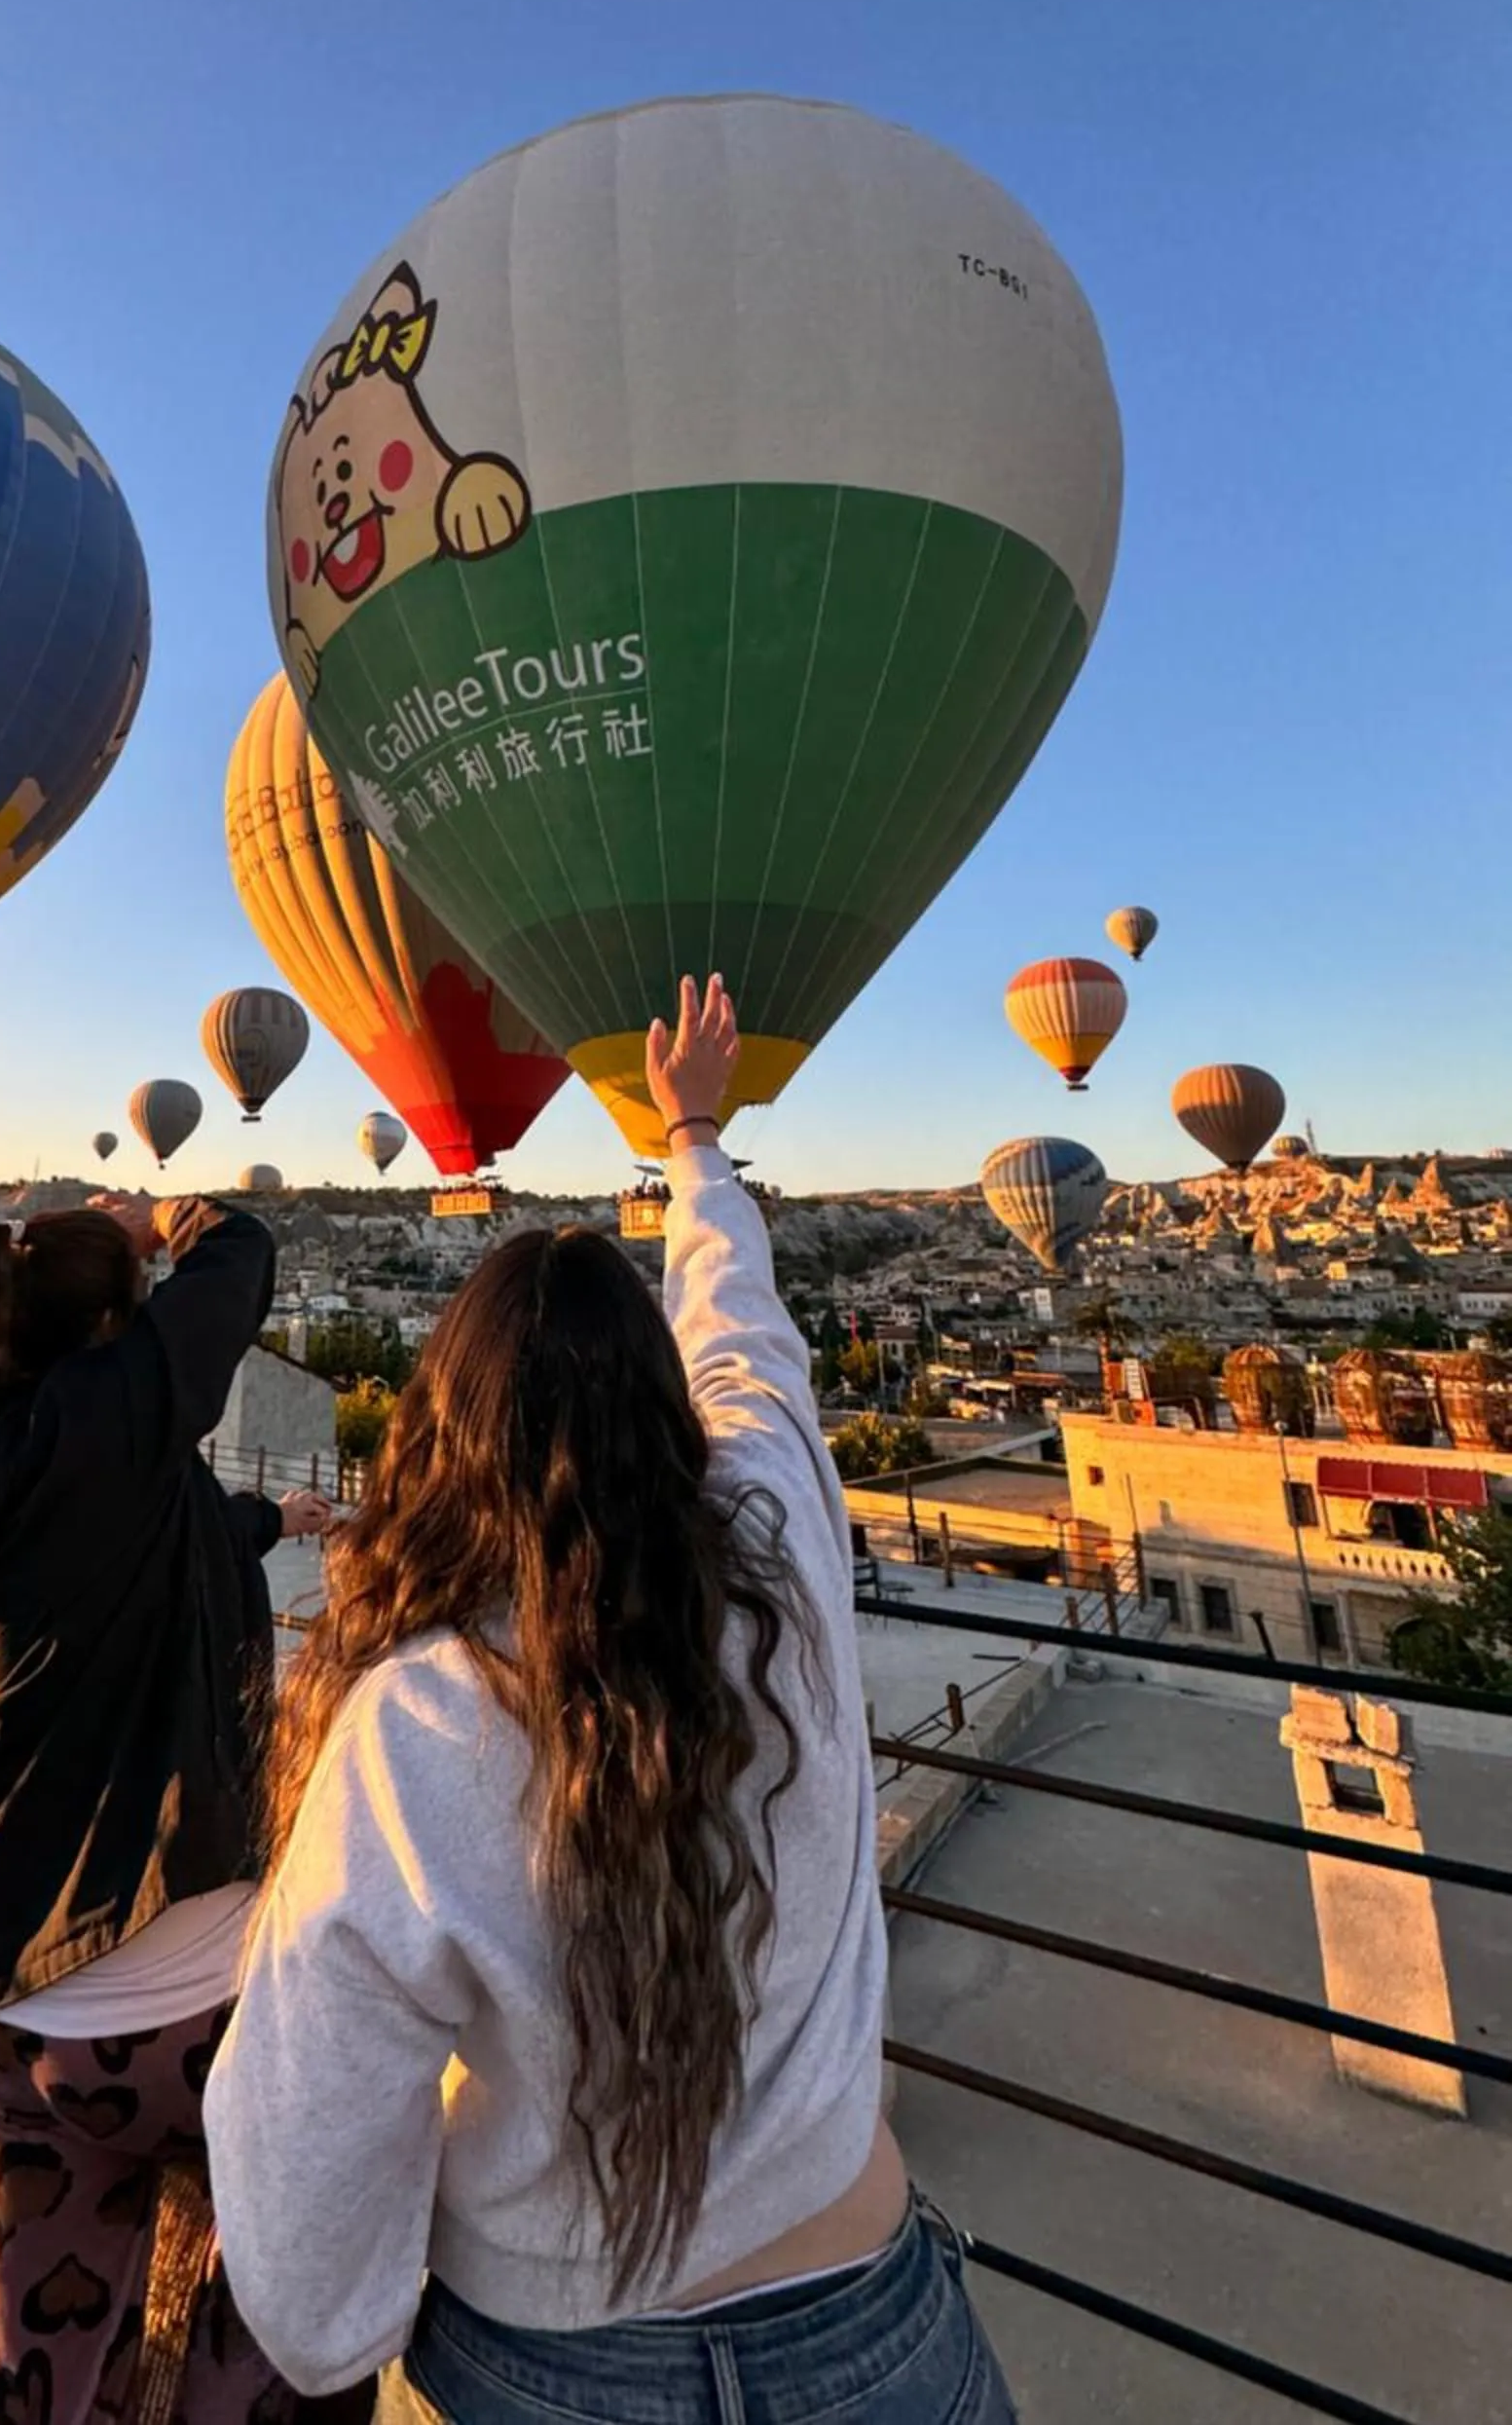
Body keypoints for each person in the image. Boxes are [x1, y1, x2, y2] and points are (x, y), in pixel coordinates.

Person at [205, 979, 1016, 2424]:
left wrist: (341, 2329)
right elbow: (743, 1335)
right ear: (665, 1413)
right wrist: (691, 1135)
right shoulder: (785, 1571)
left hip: (548, 2361)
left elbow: (308, 2151)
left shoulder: (411, 1724)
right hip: (875, 2329)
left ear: (441, 1438)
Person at [0, 1191, 334, 2425]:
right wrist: (172, 1218)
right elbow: (242, 1255)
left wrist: (269, 1521)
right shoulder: (119, 1415)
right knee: (319, 2204)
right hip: (169, 2025)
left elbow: (130, 1533)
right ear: (124, 1327)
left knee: (35, 2369)